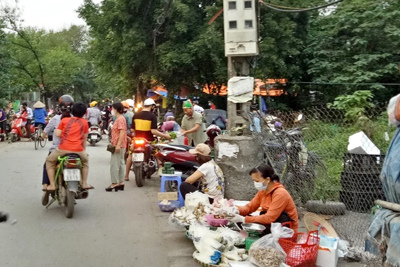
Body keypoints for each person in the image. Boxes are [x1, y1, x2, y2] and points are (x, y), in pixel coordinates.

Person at [229, 164, 299, 235]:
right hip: (272, 224)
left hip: (284, 230)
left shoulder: (280, 193)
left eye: (257, 181)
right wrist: (236, 210)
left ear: (267, 179)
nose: (255, 183)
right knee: (240, 220)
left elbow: (269, 218)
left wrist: (243, 219)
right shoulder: (262, 192)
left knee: (245, 222)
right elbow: (250, 207)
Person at [45, 99, 93, 192]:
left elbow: (58, 134)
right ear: (84, 113)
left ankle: (52, 185)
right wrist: (83, 151)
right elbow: (84, 139)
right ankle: (84, 183)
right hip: (79, 150)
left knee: (49, 161)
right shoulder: (85, 123)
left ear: (72, 110)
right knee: (85, 163)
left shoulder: (65, 120)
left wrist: (67, 132)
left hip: (63, 149)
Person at [124, 98, 171, 181]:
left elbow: (132, 130)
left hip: (136, 139)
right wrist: (165, 136)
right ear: (152, 106)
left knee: (131, 154)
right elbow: (153, 131)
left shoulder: (136, 115)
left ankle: (126, 175)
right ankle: (161, 170)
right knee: (156, 153)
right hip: (149, 140)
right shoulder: (152, 116)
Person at [40, 101, 71, 205]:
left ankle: (46, 187)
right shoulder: (76, 119)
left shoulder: (56, 119)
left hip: (57, 149)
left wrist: (43, 136)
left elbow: (46, 132)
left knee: (47, 164)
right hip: (74, 150)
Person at [106, 102, 127, 192]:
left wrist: (117, 145)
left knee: (114, 164)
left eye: (113, 109)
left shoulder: (120, 119)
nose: (112, 110)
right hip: (121, 144)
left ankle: (114, 183)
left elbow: (122, 132)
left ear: (116, 109)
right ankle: (121, 182)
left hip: (118, 144)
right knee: (121, 163)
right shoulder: (119, 118)